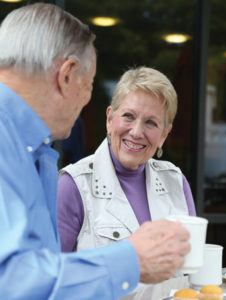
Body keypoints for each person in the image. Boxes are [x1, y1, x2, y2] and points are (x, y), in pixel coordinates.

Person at [0, 3, 190, 300]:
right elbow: (12, 281)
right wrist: (132, 260)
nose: (85, 101)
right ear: (67, 75)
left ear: (165, 132)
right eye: (89, 86)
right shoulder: (16, 149)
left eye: (152, 122)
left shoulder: (33, 151)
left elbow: (41, 270)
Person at [58, 67, 196, 298]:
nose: (136, 131)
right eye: (128, 116)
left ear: (164, 134)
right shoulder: (73, 185)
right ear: (110, 119)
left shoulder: (176, 183)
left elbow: (191, 272)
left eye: (151, 123)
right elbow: (53, 281)